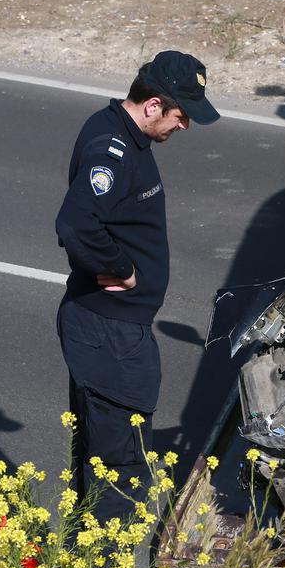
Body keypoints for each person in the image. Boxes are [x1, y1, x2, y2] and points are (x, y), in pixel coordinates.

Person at [55, 50, 219, 523]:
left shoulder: (122, 134)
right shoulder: (113, 148)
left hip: (109, 327)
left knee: (99, 452)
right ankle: (103, 564)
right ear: (153, 105)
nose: (184, 125)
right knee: (120, 465)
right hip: (111, 332)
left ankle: (81, 557)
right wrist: (122, 269)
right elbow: (76, 223)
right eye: (181, 115)